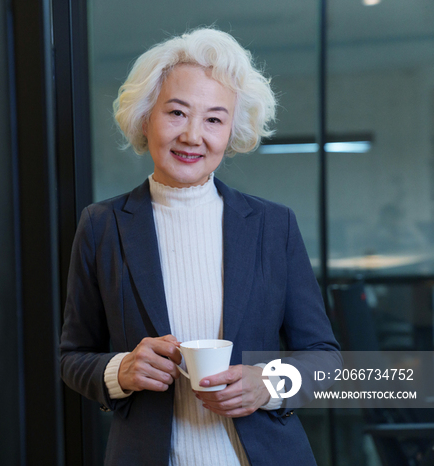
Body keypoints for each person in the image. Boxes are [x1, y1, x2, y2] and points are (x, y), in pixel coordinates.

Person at [60, 27, 340, 466]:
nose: (193, 135)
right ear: (145, 116)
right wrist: (120, 371)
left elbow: (325, 358)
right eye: (176, 112)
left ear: (232, 130)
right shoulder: (102, 225)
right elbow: (73, 356)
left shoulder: (273, 224)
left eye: (214, 119)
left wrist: (269, 383)